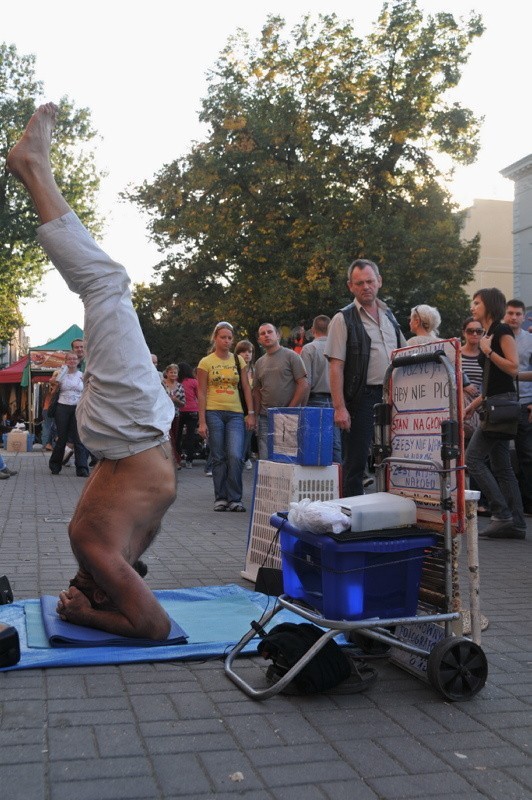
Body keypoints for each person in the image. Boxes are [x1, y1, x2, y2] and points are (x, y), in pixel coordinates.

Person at [7, 103, 176, 638]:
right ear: (109, 589)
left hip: (126, 431)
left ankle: (32, 167)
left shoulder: (92, 546)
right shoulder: (116, 556)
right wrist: (89, 612)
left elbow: (150, 625)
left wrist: (86, 611)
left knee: (106, 284)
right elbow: (150, 622)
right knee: (108, 285)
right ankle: (32, 166)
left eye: (71, 592)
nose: (70, 592)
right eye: (81, 592)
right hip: (139, 425)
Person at [325, 258, 406, 496]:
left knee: (394, 458)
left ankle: (390, 513)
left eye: (370, 281)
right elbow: (335, 367)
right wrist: (340, 408)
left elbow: (405, 354)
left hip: (393, 397)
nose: (366, 287)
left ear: (379, 281)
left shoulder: (390, 315)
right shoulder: (343, 318)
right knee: (356, 464)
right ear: (350, 286)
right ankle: (351, 520)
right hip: (361, 399)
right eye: (359, 283)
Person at [464, 288, 525, 540]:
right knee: (502, 467)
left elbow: (512, 368)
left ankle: (501, 514)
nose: (473, 307)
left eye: (477, 302)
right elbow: (494, 381)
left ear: (488, 305)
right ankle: (516, 523)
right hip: (494, 403)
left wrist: (488, 351)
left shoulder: (500, 331)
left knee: (473, 459)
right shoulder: (490, 334)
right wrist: (472, 405)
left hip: (499, 407)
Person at [197, 322, 254, 512]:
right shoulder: (206, 362)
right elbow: (202, 392)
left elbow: (246, 388)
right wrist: (202, 421)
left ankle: (235, 498)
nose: (227, 341)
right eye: (223, 337)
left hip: (236, 413)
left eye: (230, 338)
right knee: (218, 457)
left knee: (235, 455)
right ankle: (221, 497)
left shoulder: (239, 361)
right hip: (213, 412)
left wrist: (250, 413)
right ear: (215, 338)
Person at [253, 323, 308, 461]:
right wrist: (256, 415)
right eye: (262, 333)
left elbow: (303, 384)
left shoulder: (291, 356)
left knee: (286, 458)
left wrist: (291, 409)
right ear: (259, 340)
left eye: (269, 332)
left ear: (278, 335)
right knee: (265, 459)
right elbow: (257, 391)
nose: (266, 335)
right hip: (265, 416)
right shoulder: (259, 363)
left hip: (288, 415)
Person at [300, 315, 342, 463]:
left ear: (312, 330)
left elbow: (306, 381)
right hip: (338, 399)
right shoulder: (339, 347)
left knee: (314, 442)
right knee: (335, 441)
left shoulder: (309, 349)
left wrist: (302, 405)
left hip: (315, 399)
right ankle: (340, 476)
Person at [503, 299, 532, 515]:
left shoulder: (530, 340)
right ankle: (507, 505)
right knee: (499, 455)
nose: (514, 317)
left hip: (525, 404)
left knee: (527, 455)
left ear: (523, 317)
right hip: (502, 403)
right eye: (510, 313)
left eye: (517, 314)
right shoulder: (497, 338)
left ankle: (529, 503)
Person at [48, 351, 89, 476]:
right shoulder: (61, 374)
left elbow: (87, 390)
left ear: (78, 361)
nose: (72, 361)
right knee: (62, 438)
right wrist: (59, 377)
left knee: (78, 438)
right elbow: (53, 388)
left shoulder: (82, 375)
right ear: (66, 361)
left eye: (74, 359)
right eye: (69, 359)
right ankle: (55, 465)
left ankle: (82, 468)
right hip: (62, 407)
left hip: (77, 408)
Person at [234, 340, 256, 469]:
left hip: (250, 409)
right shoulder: (234, 370)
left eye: (250, 351)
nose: (247, 354)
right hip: (237, 407)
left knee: (247, 436)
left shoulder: (255, 370)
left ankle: (244, 458)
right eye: (243, 351)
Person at [162, 363, 186, 466]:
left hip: (175, 415)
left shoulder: (180, 386)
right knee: (166, 437)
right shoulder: (161, 384)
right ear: (166, 373)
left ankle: (175, 460)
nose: (173, 374)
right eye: (171, 372)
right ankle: (167, 460)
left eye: (175, 372)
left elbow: (183, 403)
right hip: (163, 415)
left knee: (175, 438)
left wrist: (176, 400)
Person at [176, 362, 199, 468]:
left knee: (177, 435)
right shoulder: (194, 382)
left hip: (179, 410)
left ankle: (178, 457)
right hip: (192, 410)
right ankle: (189, 459)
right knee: (190, 435)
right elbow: (199, 396)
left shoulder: (176, 382)